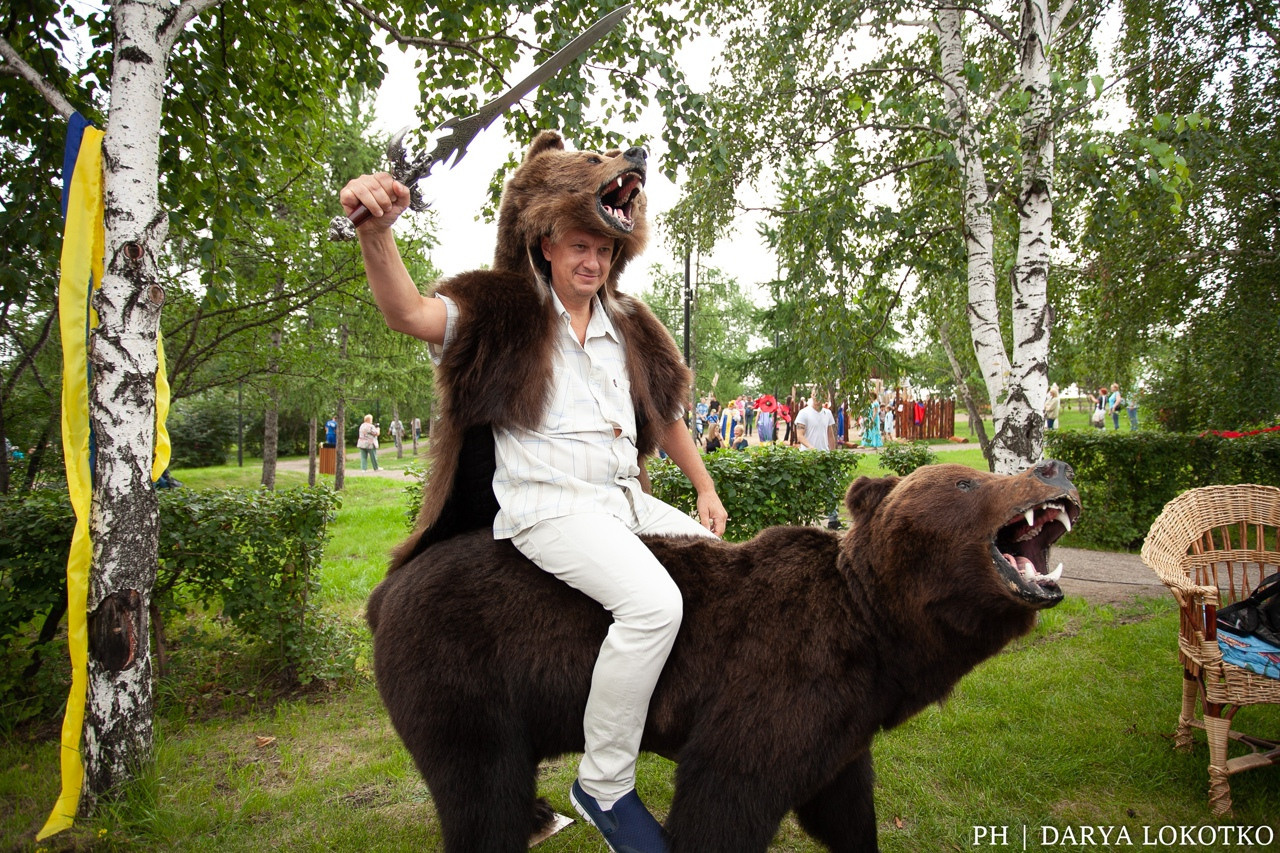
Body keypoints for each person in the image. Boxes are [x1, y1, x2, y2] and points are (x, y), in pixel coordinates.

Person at [340, 162, 727, 850]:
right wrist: (377, 231)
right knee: (654, 605)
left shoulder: (627, 321)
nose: (593, 260)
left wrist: (703, 486)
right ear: (546, 241)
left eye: (605, 249)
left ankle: (716, 733)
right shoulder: (505, 307)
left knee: (728, 572)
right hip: (550, 508)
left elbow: (664, 414)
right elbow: (409, 313)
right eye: (580, 245)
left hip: (623, 500)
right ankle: (605, 785)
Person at [795, 393, 842, 529]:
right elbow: (800, 435)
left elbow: (830, 435)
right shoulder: (804, 413)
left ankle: (833, 519)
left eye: (821, 396)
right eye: (816, 395)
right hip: (808, 457)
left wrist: (832, 453)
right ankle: (805, 520)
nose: (818, 399)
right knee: (807, 488)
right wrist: (811, 448)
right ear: (812, 396)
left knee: (830, 487)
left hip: (824, 456)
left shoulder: (827, 413)